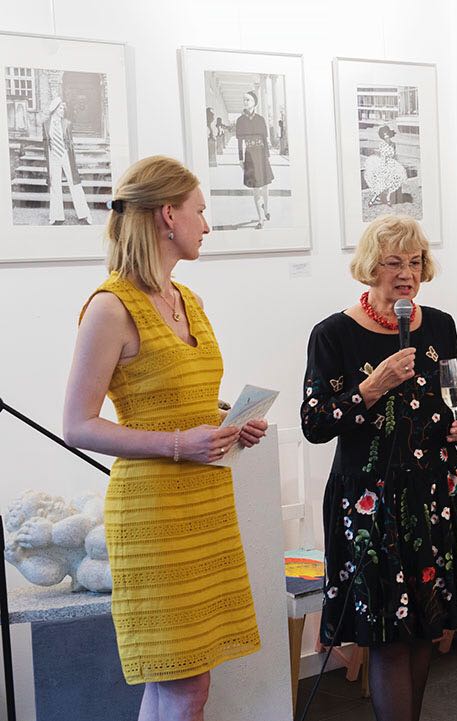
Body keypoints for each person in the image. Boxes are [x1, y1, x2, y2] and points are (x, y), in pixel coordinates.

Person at [62, 155, 267, 721]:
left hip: (204, 503)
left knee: (180, 684)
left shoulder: (188, 300)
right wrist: (179, 444)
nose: (207, 225)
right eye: (200, 211)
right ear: (168, 215)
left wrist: (230, 421)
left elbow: (181, 398)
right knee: (182, 685)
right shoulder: (110, 307)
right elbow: (77, 425)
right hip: (153, 512)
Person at [301, 215, 457, 721]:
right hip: (371, 502)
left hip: (435, 495)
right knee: (388, 635)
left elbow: (453, 399)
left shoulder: (441, 325)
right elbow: (315, 423)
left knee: (427, 627)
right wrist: (372, 386)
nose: (406, 274)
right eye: (392, 262)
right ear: (370, 266)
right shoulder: (333, 334)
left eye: (414, 262)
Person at [42, 96, 92, 225]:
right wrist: (48, 159)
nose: (63, 110)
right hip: (53, 156)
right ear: (54, 110)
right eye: (60, 108)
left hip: (65, 155)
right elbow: (45, 144)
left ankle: (84, 214)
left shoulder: (67, 123)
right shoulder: (46, 124)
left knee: (75, 184)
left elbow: (70, 144)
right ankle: (56, 216)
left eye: (63, 108)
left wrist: (72, 160)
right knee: (55, 185)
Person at [234, 90, 274, 229]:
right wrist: (240, 159)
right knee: (256, 188)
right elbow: (240, 142)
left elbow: (265, 138)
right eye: (244, 100)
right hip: (250, 156)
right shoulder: (240, 121)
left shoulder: (260, 119)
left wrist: (267, 156)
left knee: (265, 186)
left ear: (254, 102)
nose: (245, 102)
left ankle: (266, 209)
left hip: (262, 155)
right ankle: (260, 219)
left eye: (248, 100)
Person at [363, 124, 408, 207]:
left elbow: (395, 155)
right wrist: (383, 166)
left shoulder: (393, 144)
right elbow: (383, 157)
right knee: (381, 184)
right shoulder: (382, 145)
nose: (386, 136)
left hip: (392, 164)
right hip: (384, 164)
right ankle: (373, 199)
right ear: (382, 136)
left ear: (389, 134)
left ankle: (388, 198)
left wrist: (396, 165)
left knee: (393, 182)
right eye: (384, 135)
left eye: (387, 134)